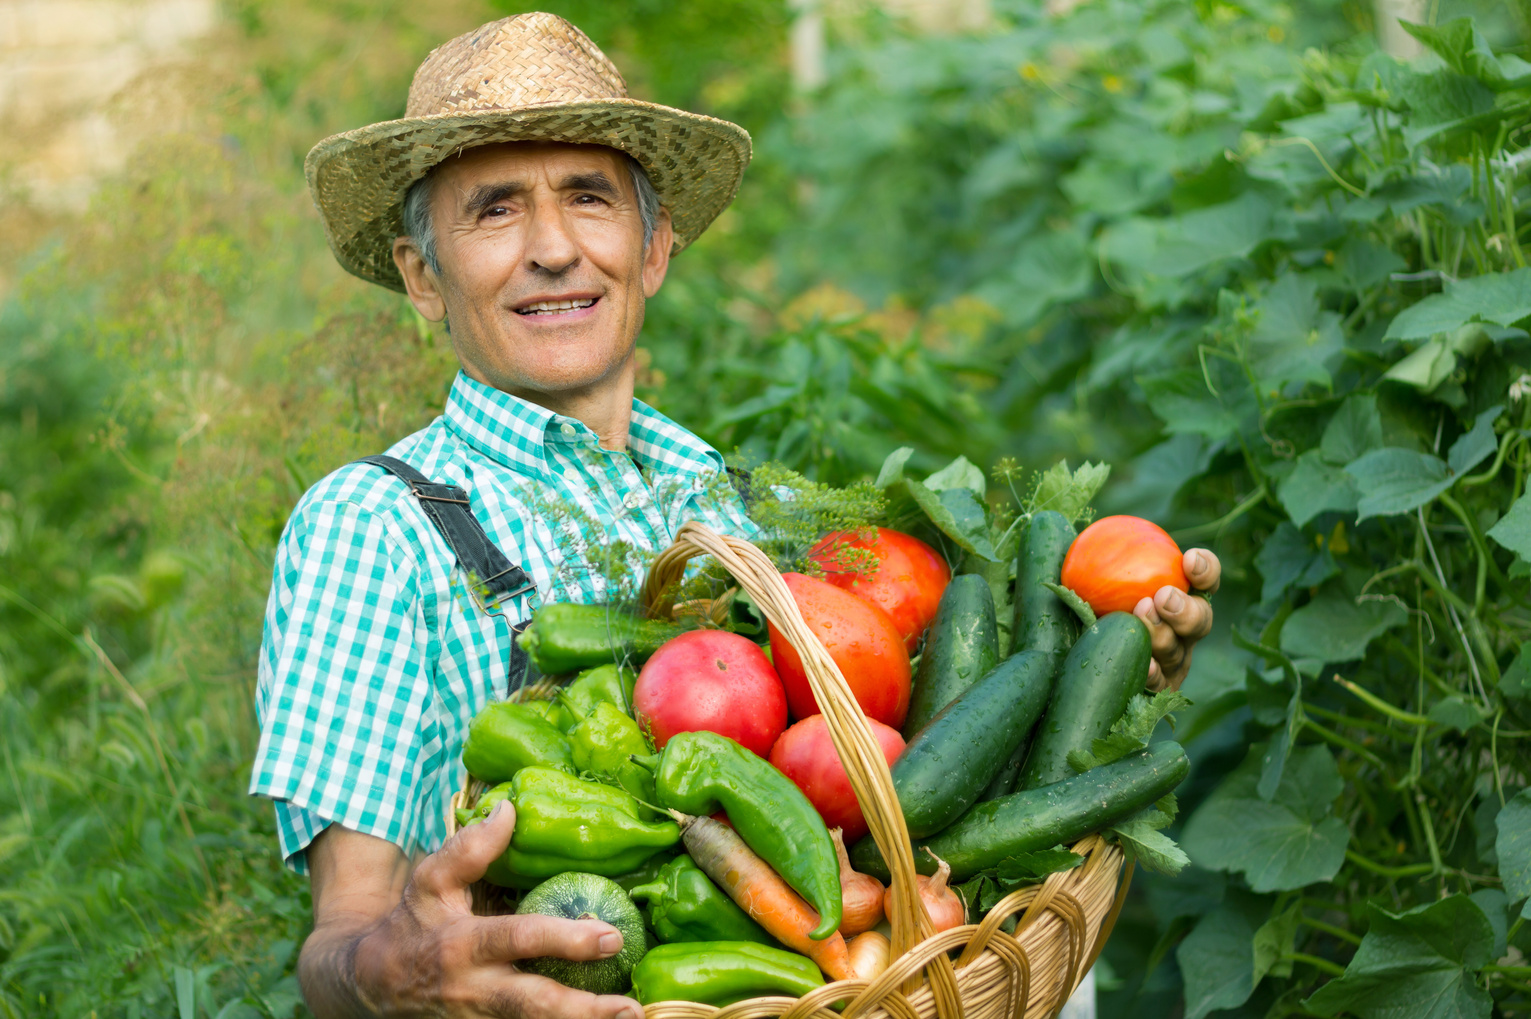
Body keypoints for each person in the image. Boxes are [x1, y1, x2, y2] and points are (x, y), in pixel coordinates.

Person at [251, 13, 1222, 1018]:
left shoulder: (734, 500)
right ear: (423, 277)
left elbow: (938, 737)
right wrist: (388, 969)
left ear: (654, 243)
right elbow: (336, 949)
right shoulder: (374, 528)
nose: (552, 250)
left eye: (588, 198)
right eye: (495, 211)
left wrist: (1108, 659)